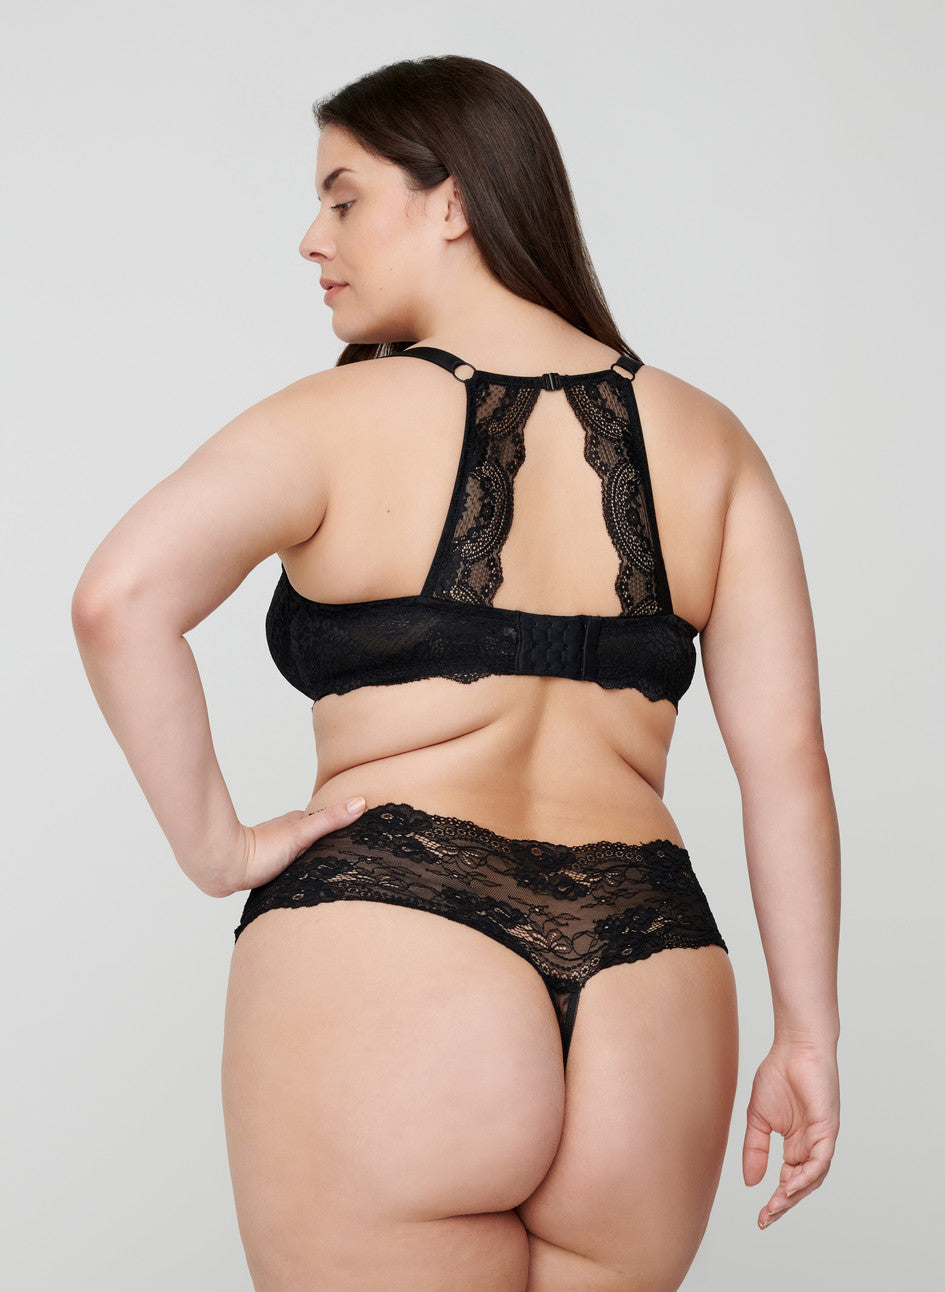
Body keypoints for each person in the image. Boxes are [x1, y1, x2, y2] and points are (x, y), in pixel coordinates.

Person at [71, 53, 840, 1292]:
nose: (312, 239)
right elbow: (788, 762)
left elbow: (116, 599)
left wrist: (219, 848)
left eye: (343, 198)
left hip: (397, 947)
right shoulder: (712, 443)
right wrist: (807, 1031)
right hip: (655, 985)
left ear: (454, 202)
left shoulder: (336, 420)